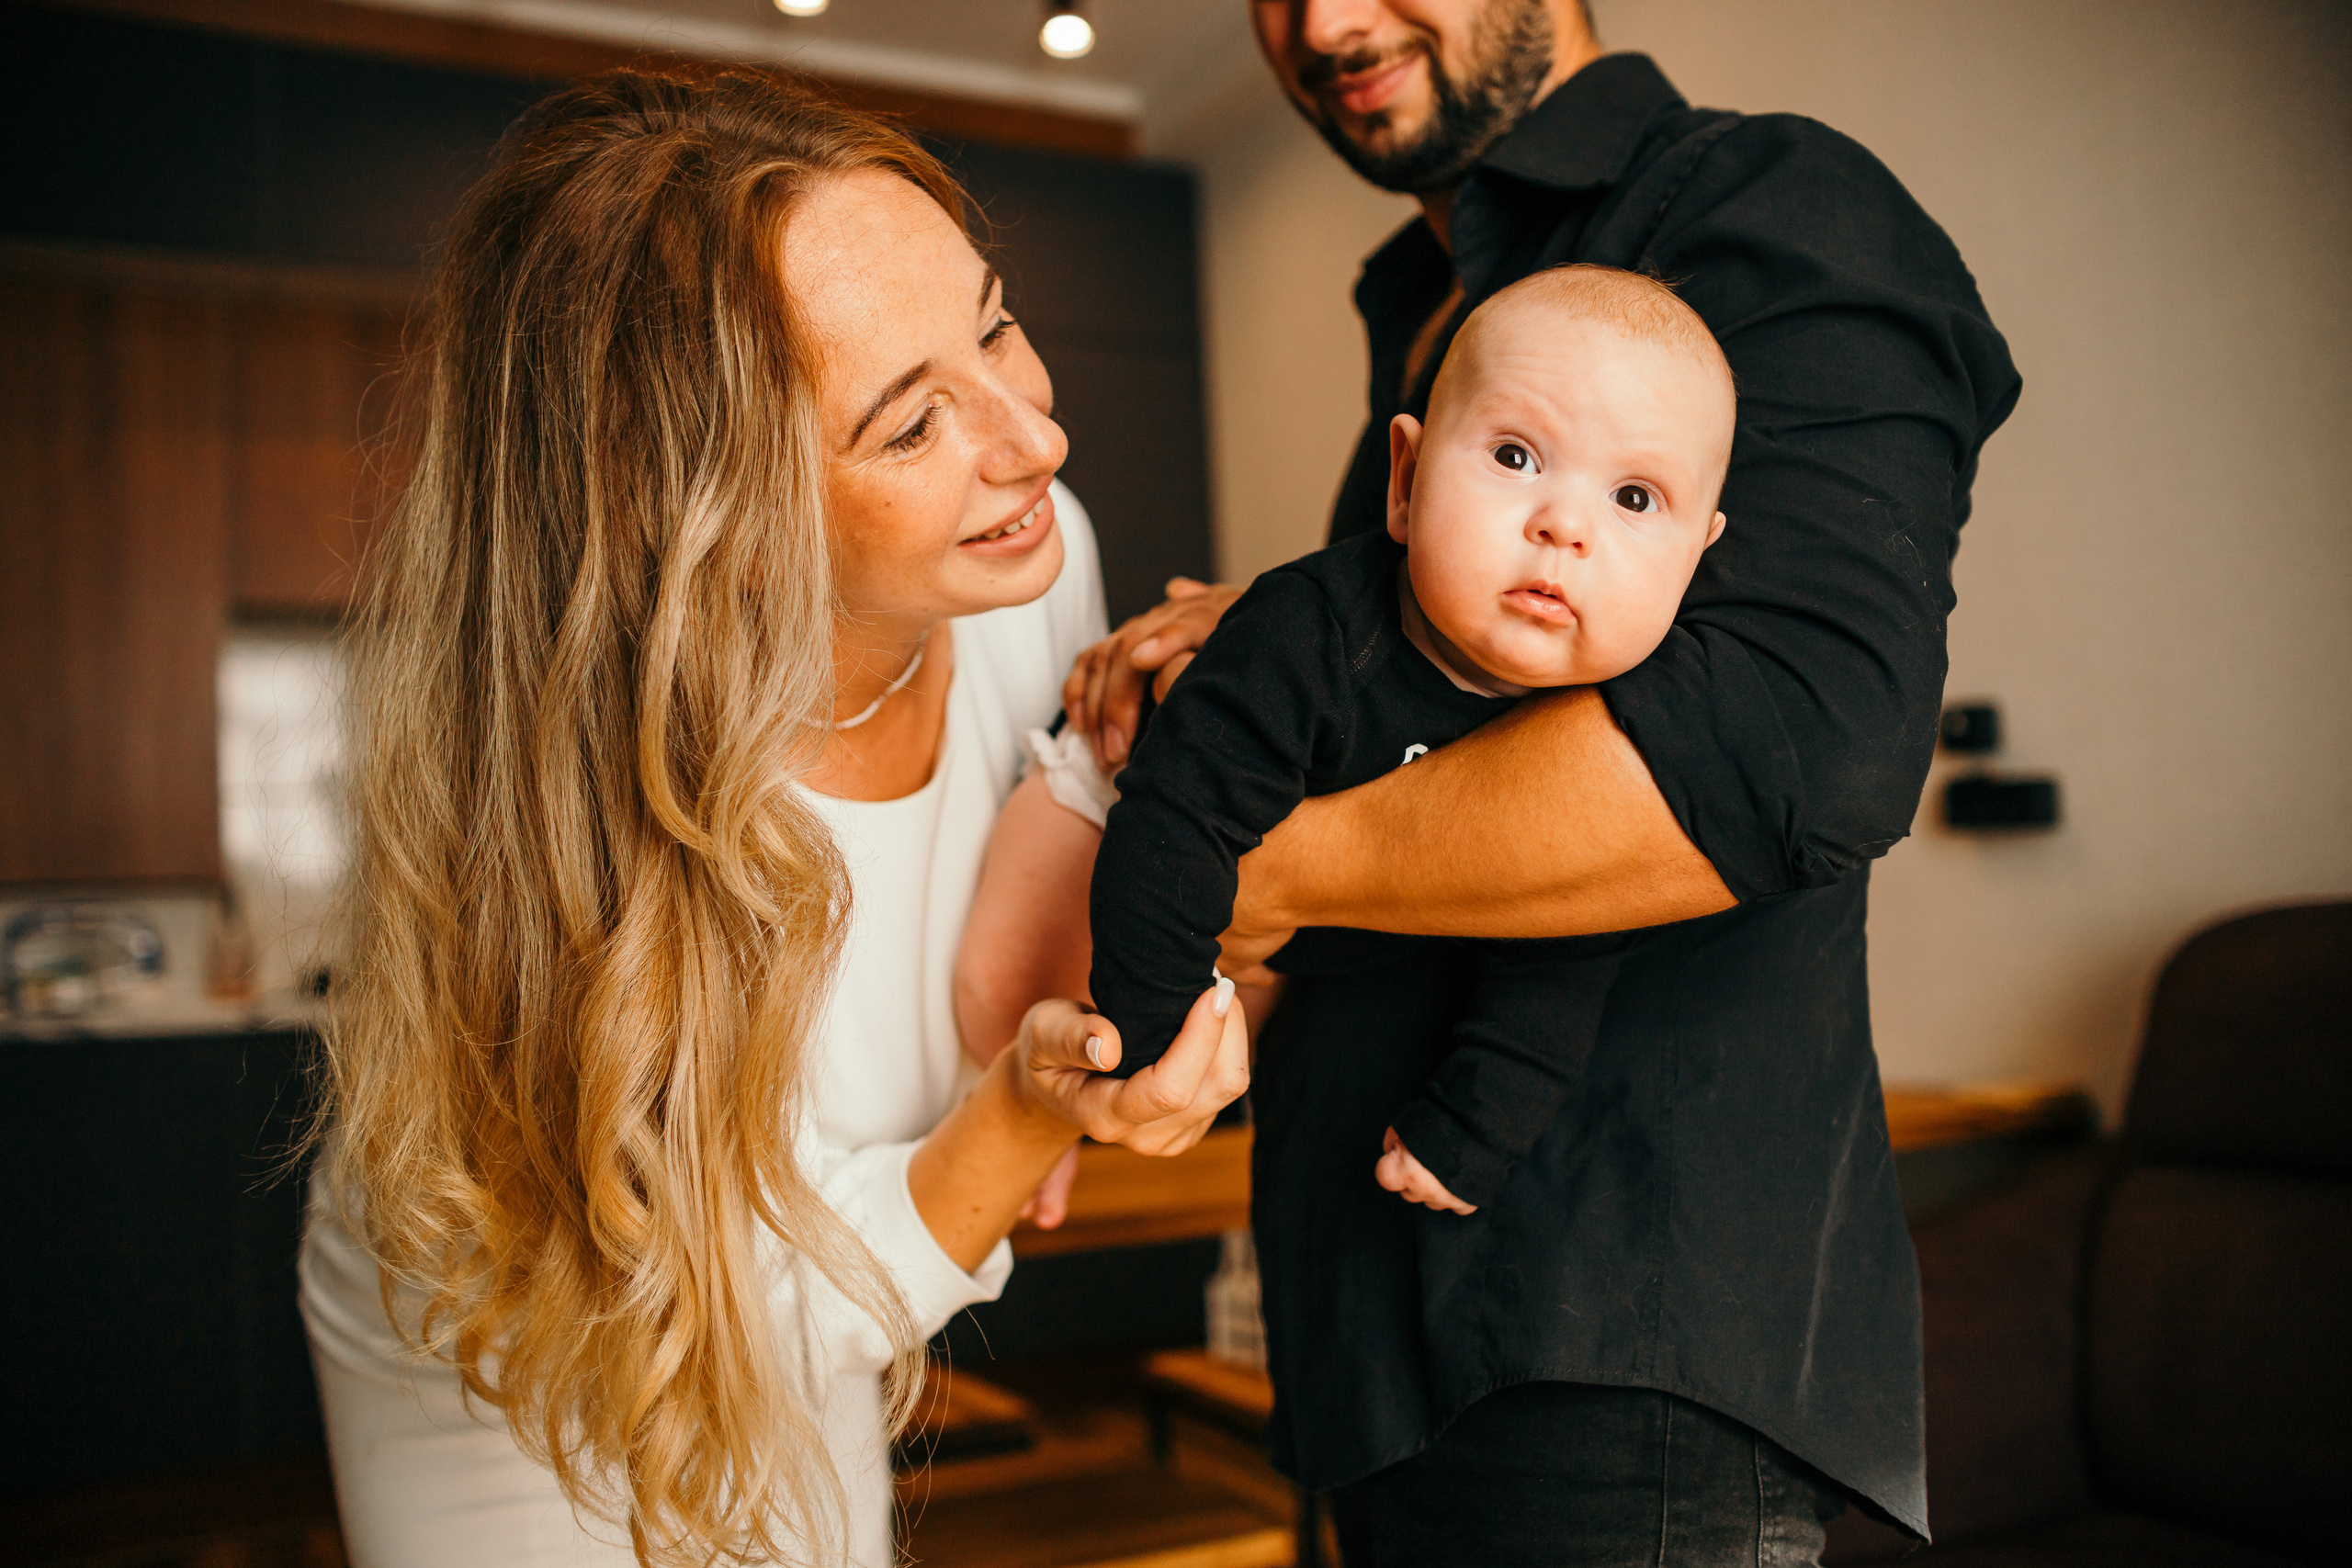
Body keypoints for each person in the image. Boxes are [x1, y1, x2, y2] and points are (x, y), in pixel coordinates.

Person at [1062, 3, 2021, 1563]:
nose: (1324, 20)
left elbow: (1797, 737)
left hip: (1601, 1350)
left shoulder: (1770, 211)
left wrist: (1249, 866)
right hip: (1381, 1336)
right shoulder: (1425, 297)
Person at [296, 69, 1247, 1568]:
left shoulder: (1027, 556)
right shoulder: (579, 802)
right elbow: (727, 1309)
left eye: (995, 323)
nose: (1031, 441)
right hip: (529, 1354)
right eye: (911, 423)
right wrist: (1022, 1107)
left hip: (844, 1316)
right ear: (707, 517)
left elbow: (1034, 879)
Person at [1067, 266, 1733, 1222]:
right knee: (1004, 991)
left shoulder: (1608, 731)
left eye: (1634, 499)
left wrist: (1477, 1125)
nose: (1563, 525)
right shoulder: (1308, 632)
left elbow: (1561, 949)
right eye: (1514, 457)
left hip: (1297, 958)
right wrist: (1148, 1036)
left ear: (1693, 561)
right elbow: (1175, 824)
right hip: (1123, 835)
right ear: (1407, 479)